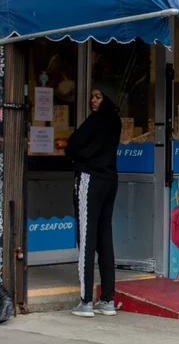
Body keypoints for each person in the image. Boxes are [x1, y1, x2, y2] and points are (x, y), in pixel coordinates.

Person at [65, 88, 122, 317]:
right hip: (110, 180)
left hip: (90, 178)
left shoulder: (95, 121)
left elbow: (72, 145)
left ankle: (86, 300)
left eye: (98, 96)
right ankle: (107, 299)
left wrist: (76, 157)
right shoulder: (116, 121)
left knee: (86, 237)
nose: (93, 100)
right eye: (92, 96)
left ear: (106, 98)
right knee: (104, 238)